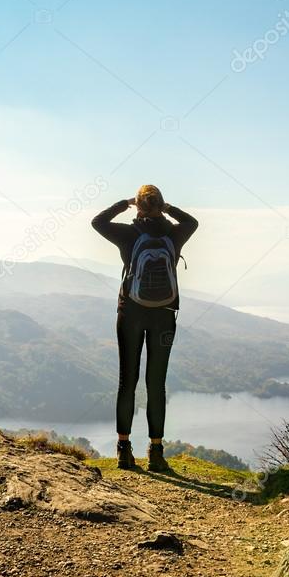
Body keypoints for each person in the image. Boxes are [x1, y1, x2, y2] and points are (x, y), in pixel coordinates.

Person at [91, 185, 198, 471]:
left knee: (128, 381)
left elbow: (97, 222)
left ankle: (124, 449)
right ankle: (156, 451)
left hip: (130, 314)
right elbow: (192, 222)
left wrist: (122, 204)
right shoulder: (175, 234)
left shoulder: (128, 234)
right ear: (161, 205)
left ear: (138, 207)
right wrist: (169, 210)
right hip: (164, 315)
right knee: (156, 385)